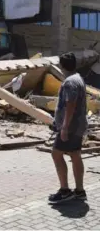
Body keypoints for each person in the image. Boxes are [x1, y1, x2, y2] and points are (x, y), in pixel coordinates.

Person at [49, 52, 88, 204]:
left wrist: (64, 127)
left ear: (62, 66)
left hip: (71, 127)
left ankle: (65, 190)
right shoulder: (78, 78)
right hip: (78, 125)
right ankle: (79, 191)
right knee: (75, 154)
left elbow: (70, 104)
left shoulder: (70, 82)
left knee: (56, 154)